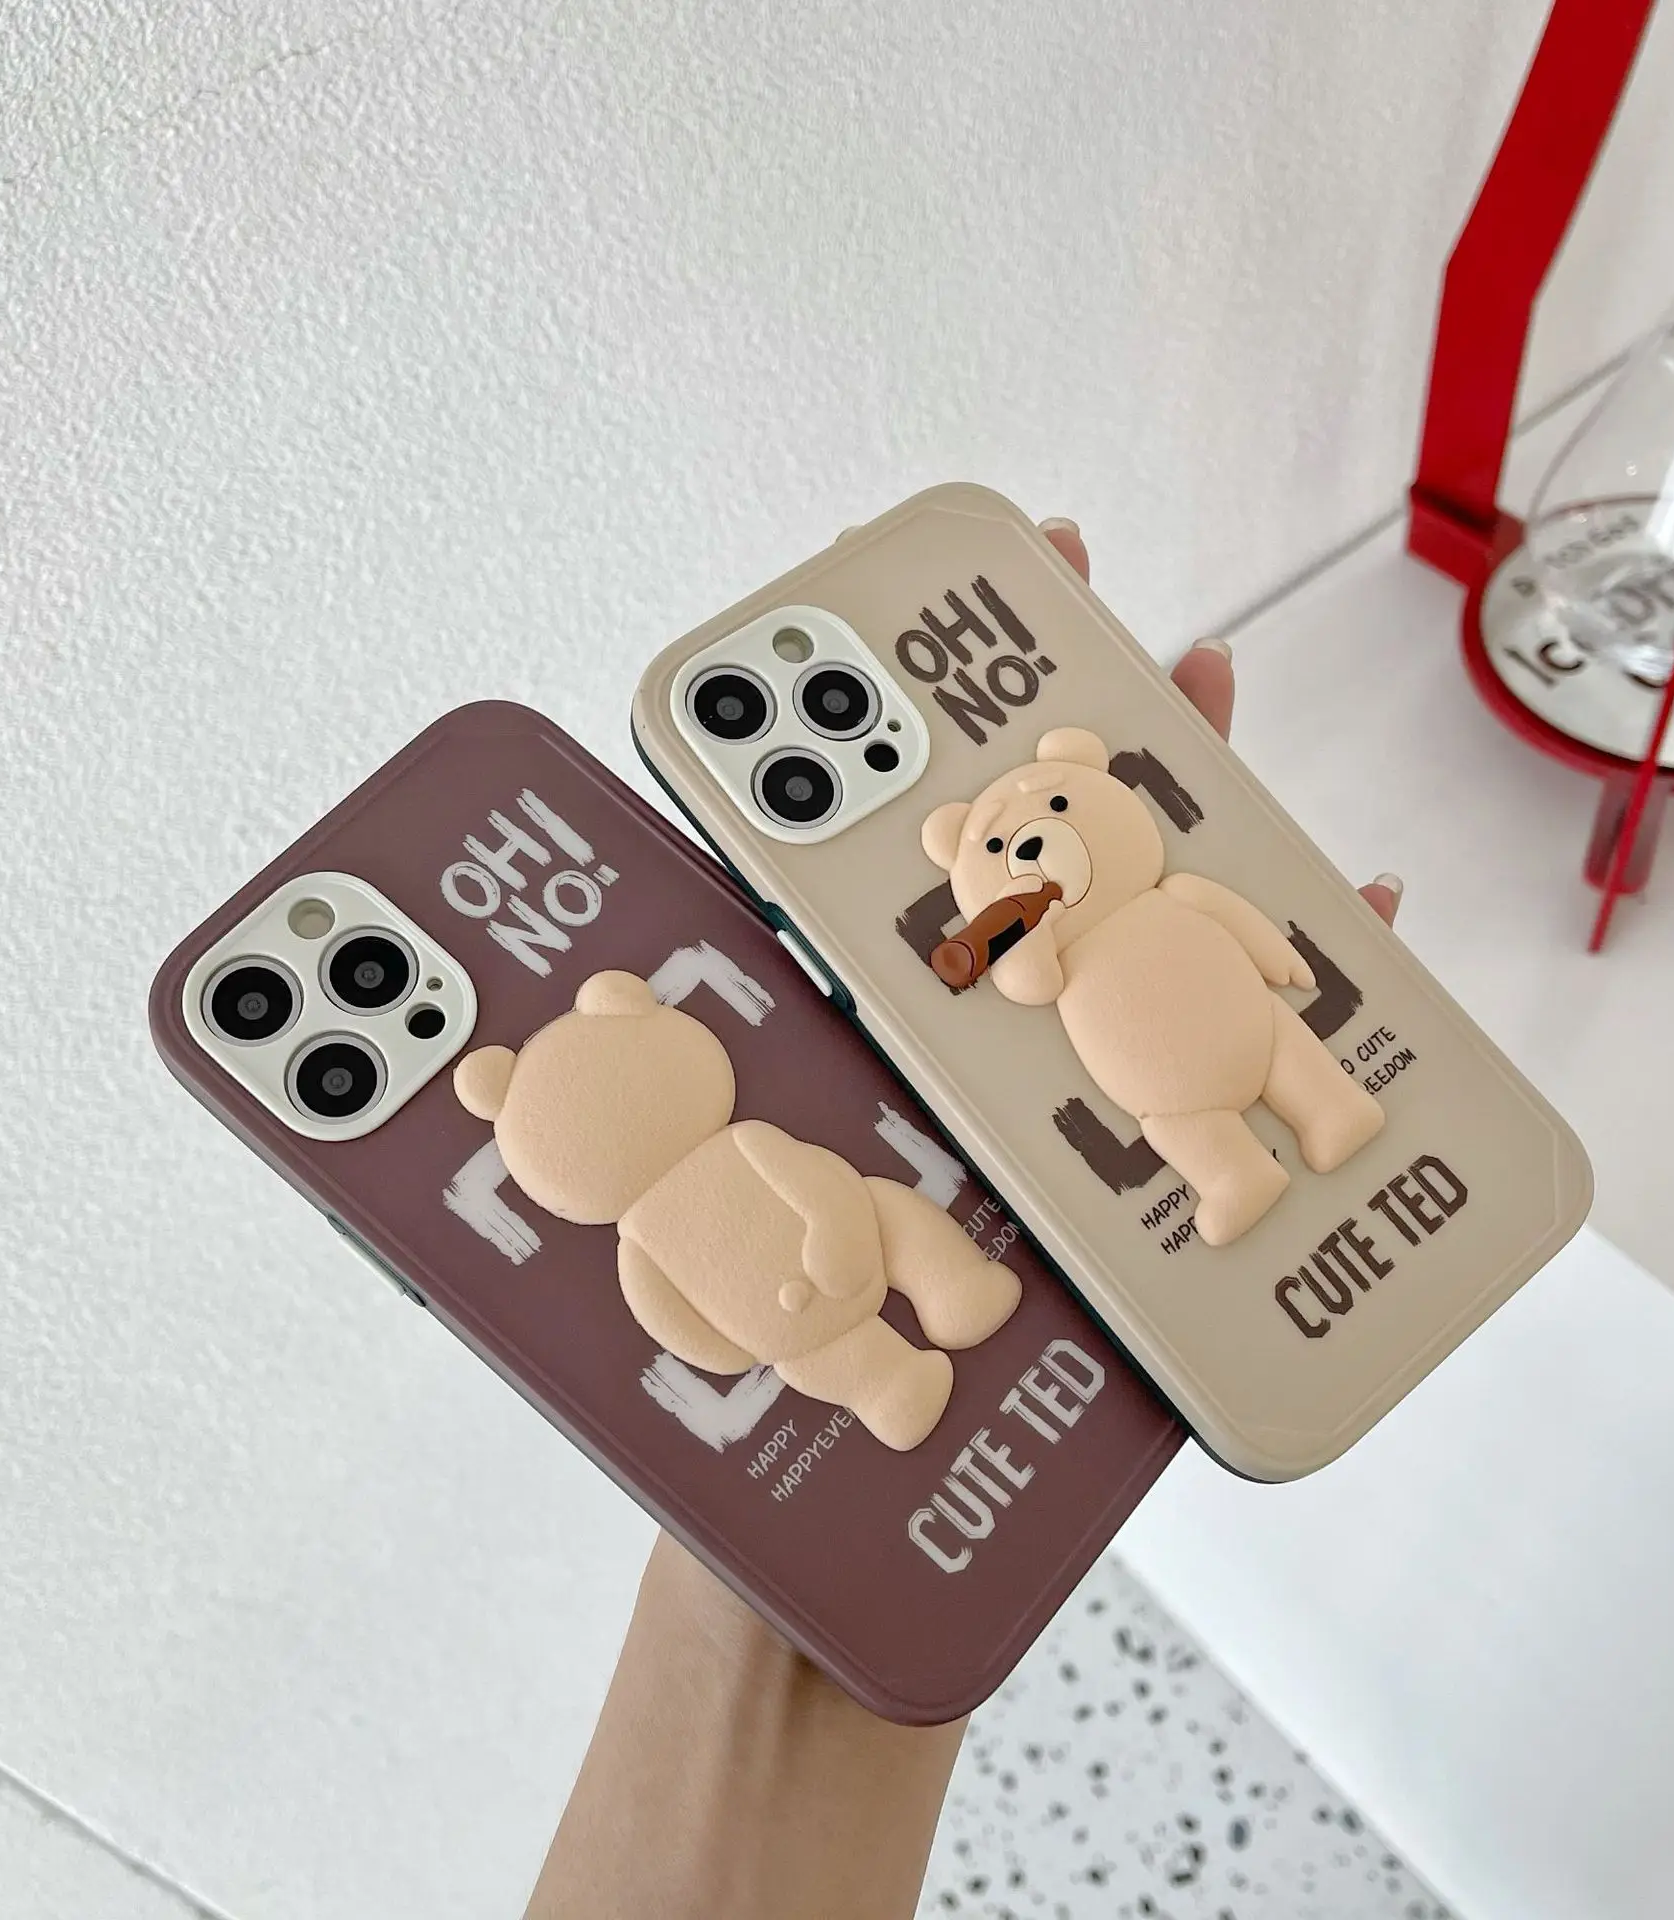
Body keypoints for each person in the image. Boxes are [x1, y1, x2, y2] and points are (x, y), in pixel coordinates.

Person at [524, 520, 1404, 1920]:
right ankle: (954, 1334)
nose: (1032, 844)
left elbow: (1222, 925)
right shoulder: (703, 1172)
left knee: (941, 1211)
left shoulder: (740, 1141)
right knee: (1004, 1202)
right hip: (910, 1240)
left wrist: (1270, 950)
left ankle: (1284, 1133)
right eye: (999, 842)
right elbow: (685, 1292)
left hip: (1112, 1074)